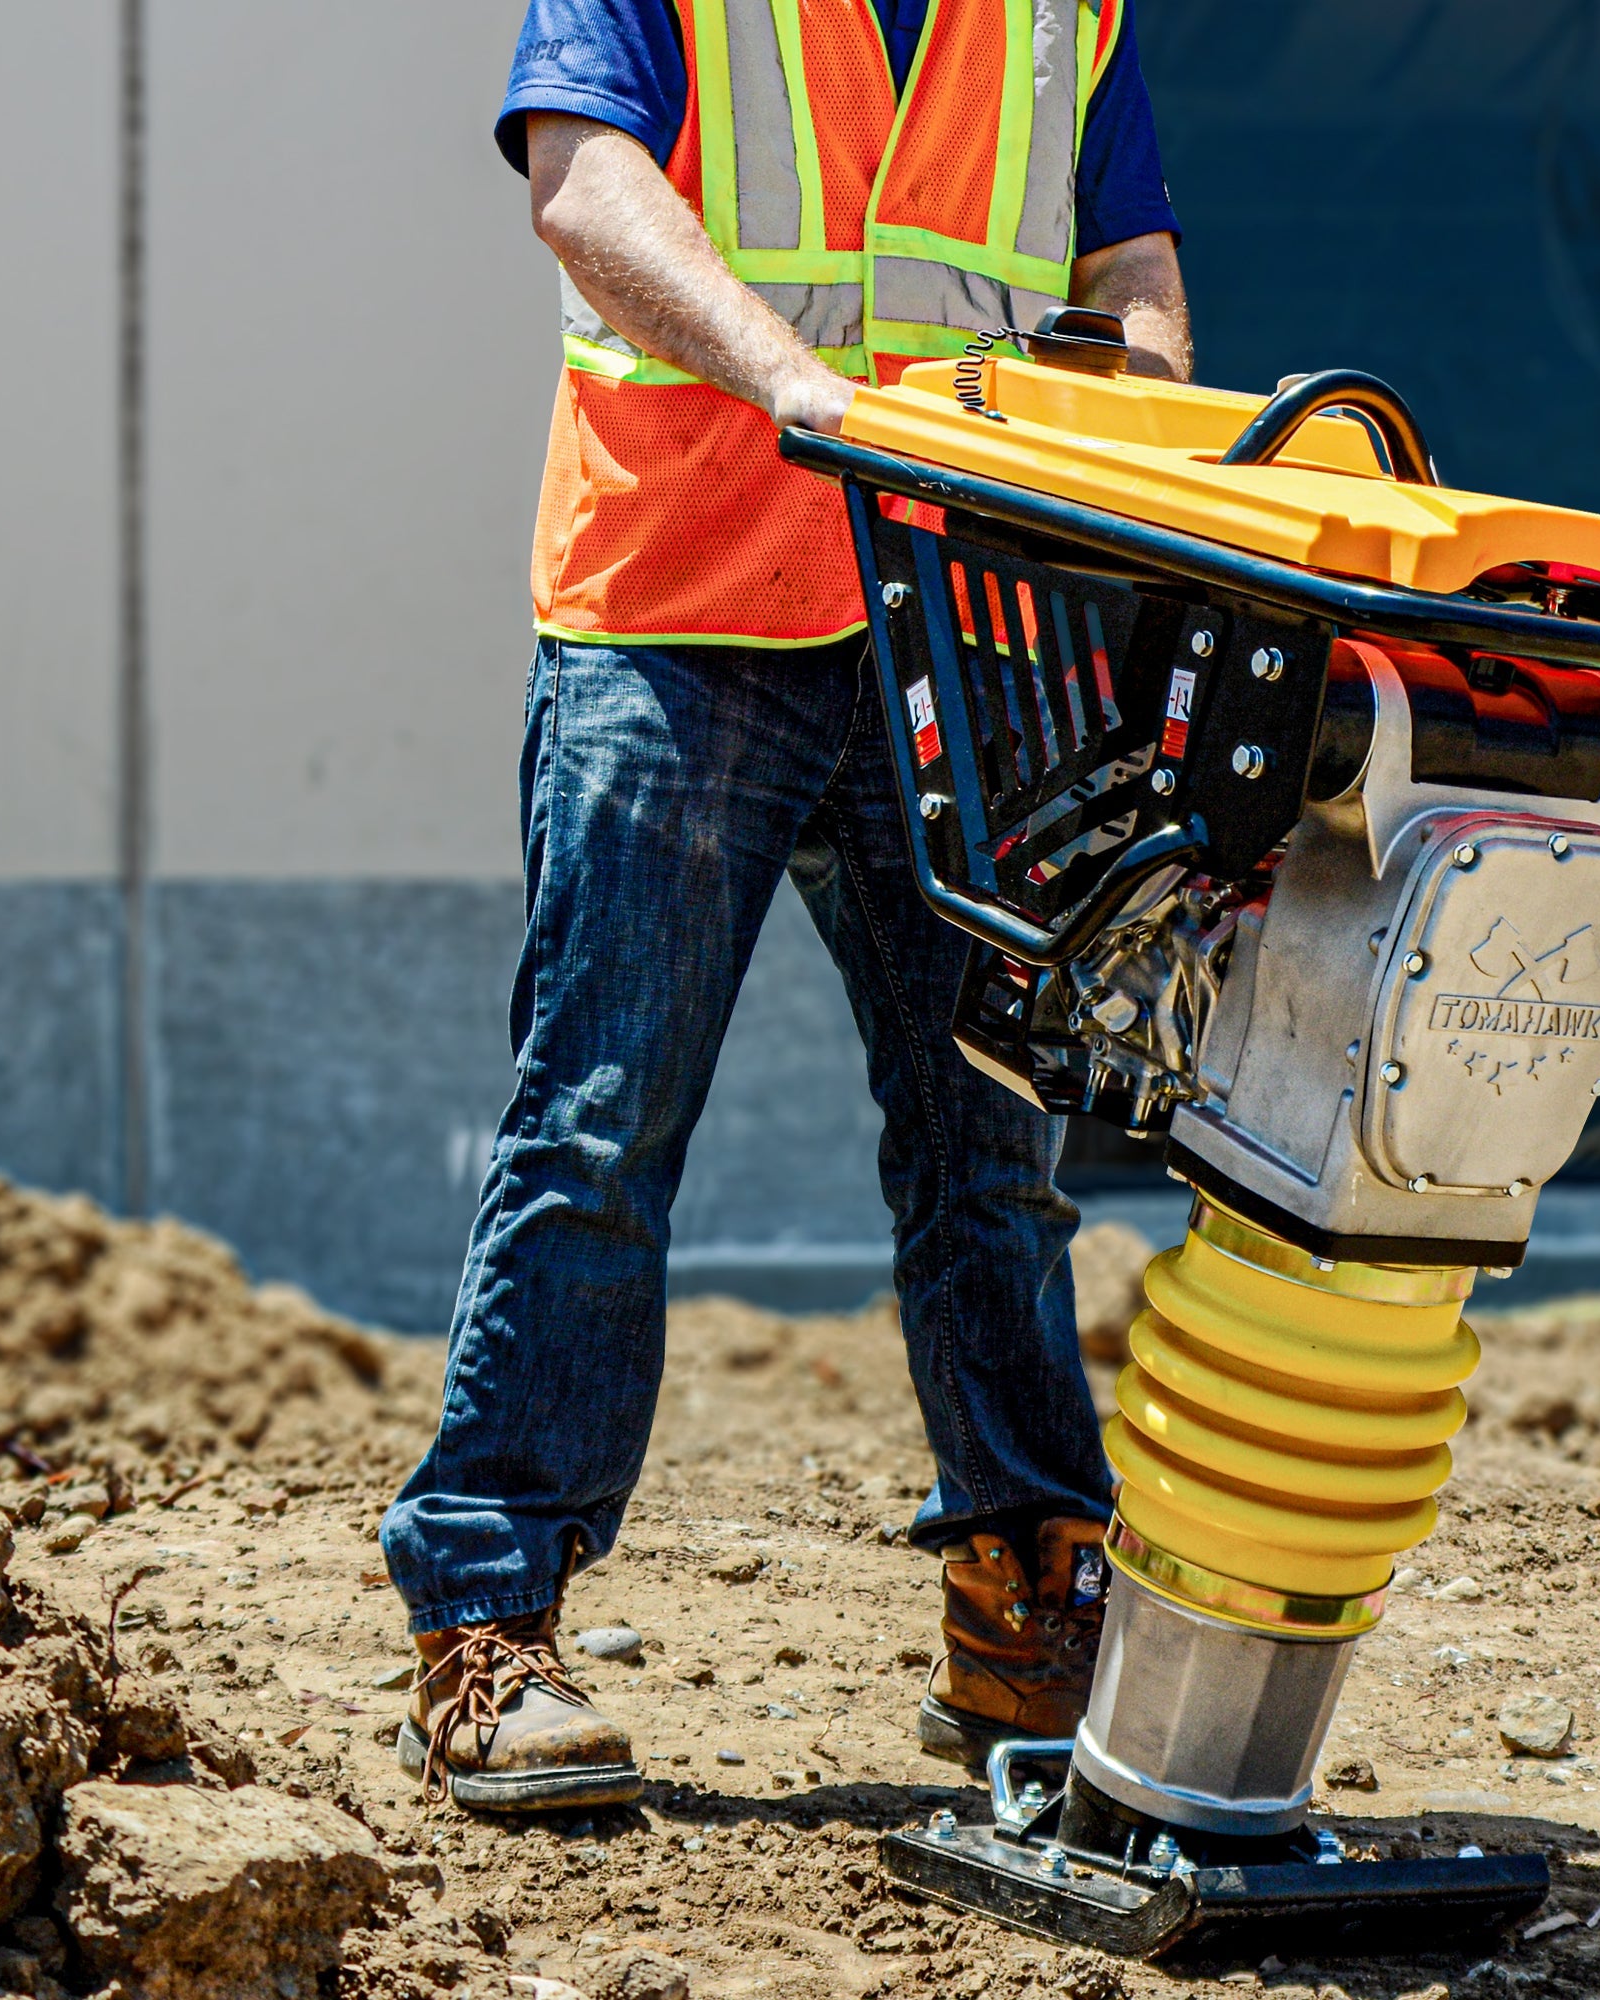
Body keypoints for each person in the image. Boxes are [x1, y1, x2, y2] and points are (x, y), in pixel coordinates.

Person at [379, 0, 1193, 1811]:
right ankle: (487, 1620)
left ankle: (1025, 1606)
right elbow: (584, 188)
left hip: (954, 627)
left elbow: (1125, 261)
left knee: (993, 1148)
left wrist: (1142, 441)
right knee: (599, 1130)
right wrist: (797, 386)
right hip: (677, 615)